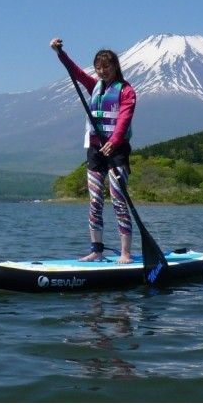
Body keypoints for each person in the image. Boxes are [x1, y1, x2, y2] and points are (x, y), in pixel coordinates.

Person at [50, 38, 136, 264]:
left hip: (117, 152)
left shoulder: (126, 91)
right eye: (98, 68)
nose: (102, 72)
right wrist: (61, 53)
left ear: (115, 66)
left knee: (118, 200)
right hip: (95, 150)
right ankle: (96, 250)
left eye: (106, 68)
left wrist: (115, 141)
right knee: (95, 200)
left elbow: (125, 118)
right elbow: (76, 72)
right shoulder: (94, 86)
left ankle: (125, 253)